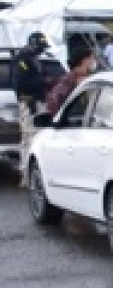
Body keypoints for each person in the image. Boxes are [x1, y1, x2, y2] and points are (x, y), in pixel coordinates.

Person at [12, 31, 51, 187]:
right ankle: (26, 176)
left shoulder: (33, 59)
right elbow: (22, 83)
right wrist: (43, 82)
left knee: (38, 138)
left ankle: (36, 173)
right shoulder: (21, 59)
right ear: (33, 45)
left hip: (38, 101)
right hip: (28, 103)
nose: (41, 51)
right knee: (29, 138)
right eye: (40, 47)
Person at [46, 36, 96, 116]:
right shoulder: (78, 79)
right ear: (85, 60)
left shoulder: (71, 77)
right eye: (92, 59)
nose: (94, 62)